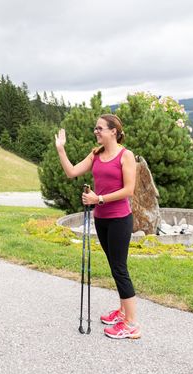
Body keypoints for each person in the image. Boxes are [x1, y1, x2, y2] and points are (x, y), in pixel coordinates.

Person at [54, 114, 140, 339]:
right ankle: (122, 312)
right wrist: (61, 149)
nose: (96, 131)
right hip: (101, 220)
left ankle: (131, 324)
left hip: (120, 218)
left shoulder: (126, 155)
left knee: (120, 268)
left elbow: (129, 190)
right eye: (95, 128)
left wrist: (98, 199)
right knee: (114, 266)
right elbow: (71, 172)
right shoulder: (96, 154)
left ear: (114, 131)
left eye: (100, 128)